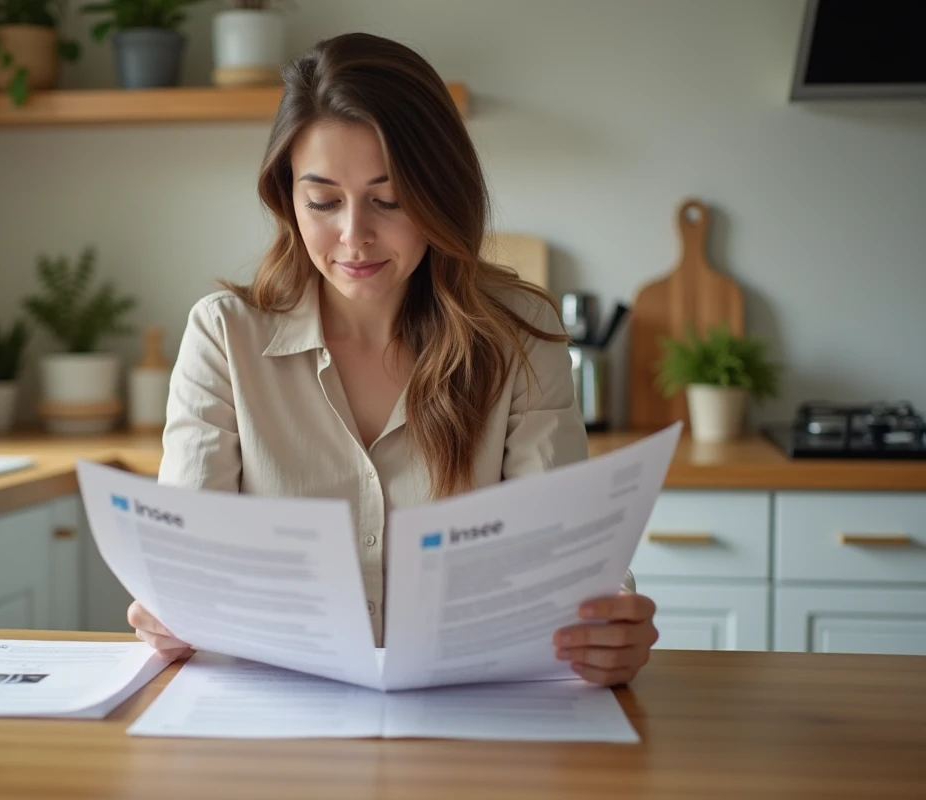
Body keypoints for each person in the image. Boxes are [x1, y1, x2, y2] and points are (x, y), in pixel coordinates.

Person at [128, 32, 659, 688]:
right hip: (276, 720)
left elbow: (564, 558)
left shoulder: (519, 335)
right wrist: (168, 611)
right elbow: (188, 561)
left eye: (391, 199)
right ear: (286, 198)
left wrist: (606, 627)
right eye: (322, 201)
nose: (354, 235)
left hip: (469, 714)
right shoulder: (224, 337)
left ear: (441, 194)